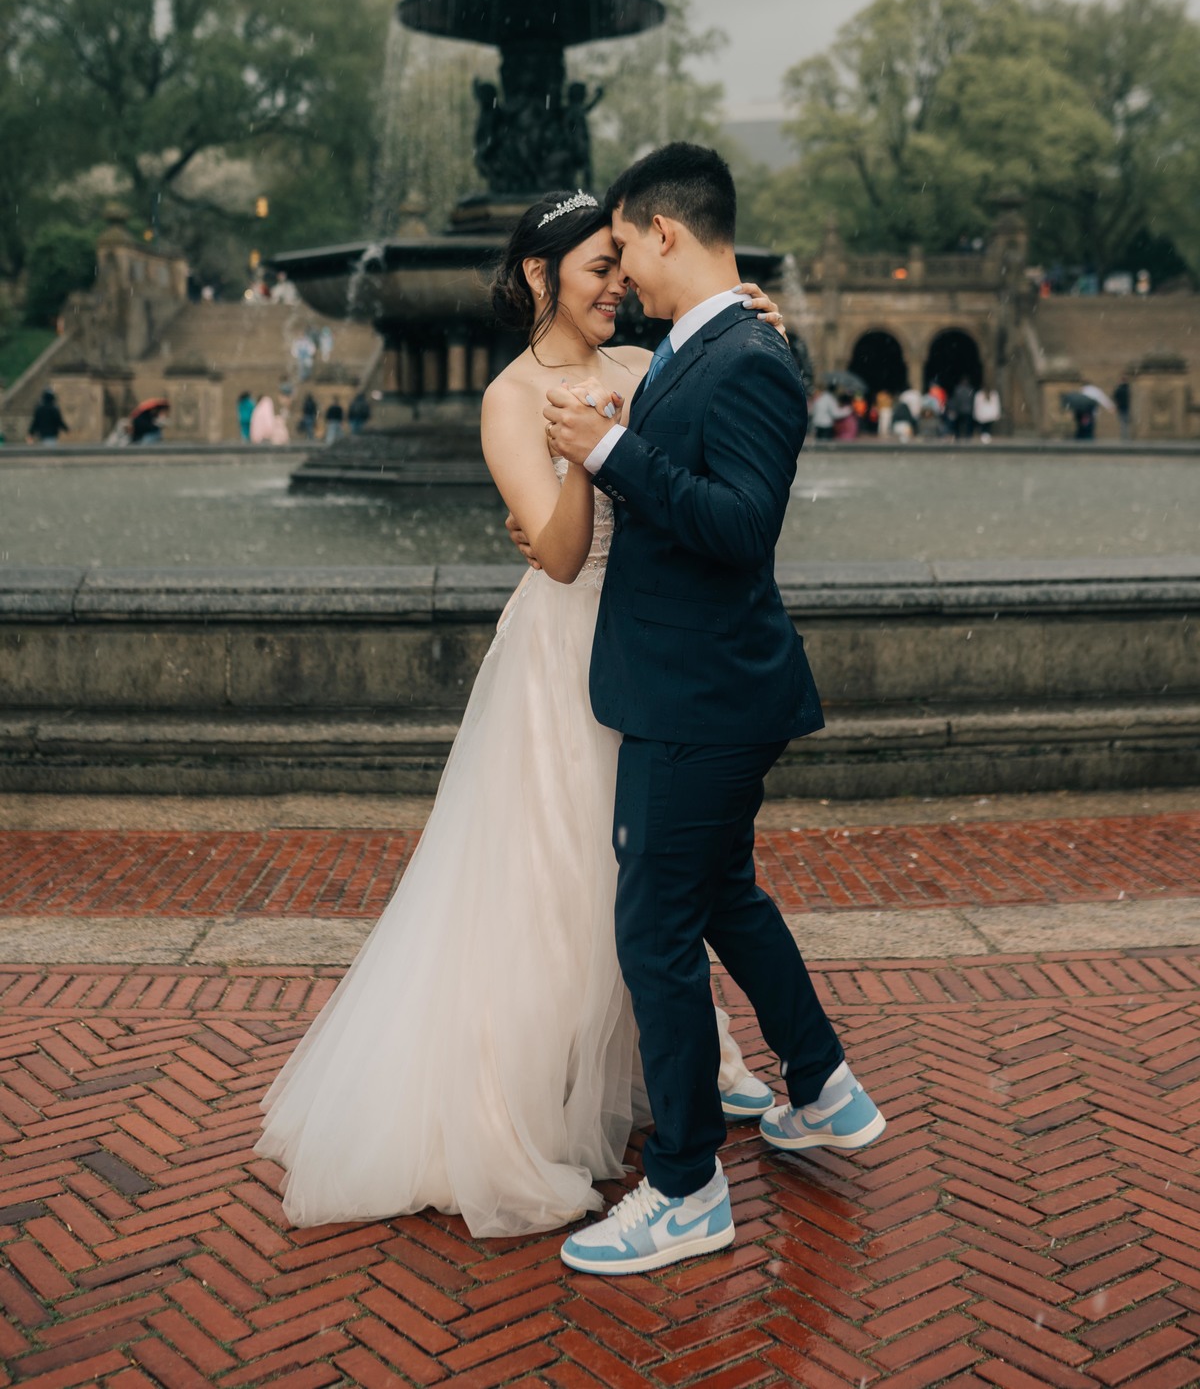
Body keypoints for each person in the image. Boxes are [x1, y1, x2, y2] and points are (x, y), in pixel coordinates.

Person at [256, 185, 787, 1236]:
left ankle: (673, 1058)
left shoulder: (645, 364)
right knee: (560, 874)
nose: (620, 288)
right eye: (599, 270)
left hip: (652, 645)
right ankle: (530, 1087)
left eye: (623, 267)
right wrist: (583, 453)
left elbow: (709, 446)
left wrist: (759, 324)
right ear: (543, 276)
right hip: (559, 659)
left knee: (650, 869)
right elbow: (550, 550)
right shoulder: (507, 396)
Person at [543, 145, 883, 1276]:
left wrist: (607, 450)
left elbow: (741, 525)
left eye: (627, 243)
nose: (623, 268)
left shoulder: (747, 356)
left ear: (666, 230)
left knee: (653, 926)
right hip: (699, 680)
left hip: (701, 692)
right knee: (723, 893)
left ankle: (686, 1186)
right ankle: (823, 1080)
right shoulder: (721, 340)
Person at [950, 378, 975, 442]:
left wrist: (954, 409)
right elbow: (972, 400)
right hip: (968, 410)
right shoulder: (970, 390)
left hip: (960, 410)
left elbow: (955, 400)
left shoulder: (958, 390)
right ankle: (968, 436)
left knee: (958, 424)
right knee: (968, 424)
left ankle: (958, 436)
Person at [1114, 377, 1131, 443]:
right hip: (1129, 407)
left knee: (1123, 423)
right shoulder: (1129, 388)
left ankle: (1124, 437)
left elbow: (1115, 396)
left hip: (1121, 407)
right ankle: (1128, 436)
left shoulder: (1119, 389)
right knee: (1127, 422)